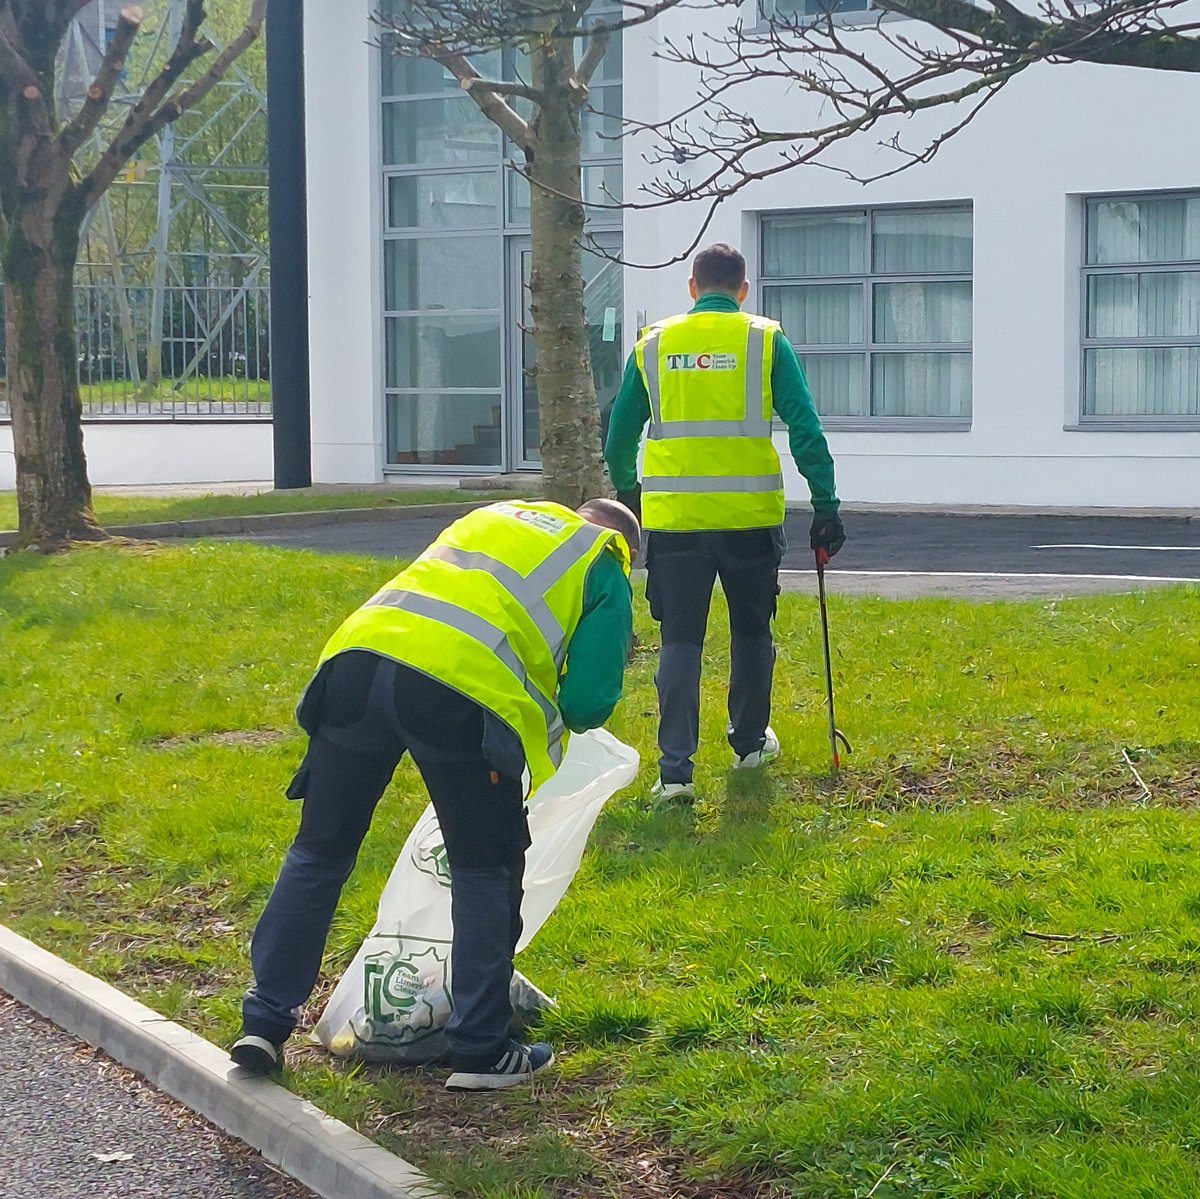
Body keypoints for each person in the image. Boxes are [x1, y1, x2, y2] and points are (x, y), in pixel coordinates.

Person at [231, 497, 640, 1091]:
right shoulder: (604, 560)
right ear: (628, 545)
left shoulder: (498, 516)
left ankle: (264, 1022)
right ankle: (481, 1049)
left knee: (320, 851)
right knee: (485, 869)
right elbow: (588, 703)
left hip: (355, 664)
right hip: (457, 695)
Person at [604, 242, 843, 803]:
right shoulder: (765, 340)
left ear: (692, 286)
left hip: (677, 522)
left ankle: (675, 773)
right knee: (752, 633)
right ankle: (749, 745)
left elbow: (619, 435)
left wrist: (627, 491)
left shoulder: (654, 344)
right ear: (742, 289)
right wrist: (826, 502)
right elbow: (805, 425)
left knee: (680, 640)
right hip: (749, 519)